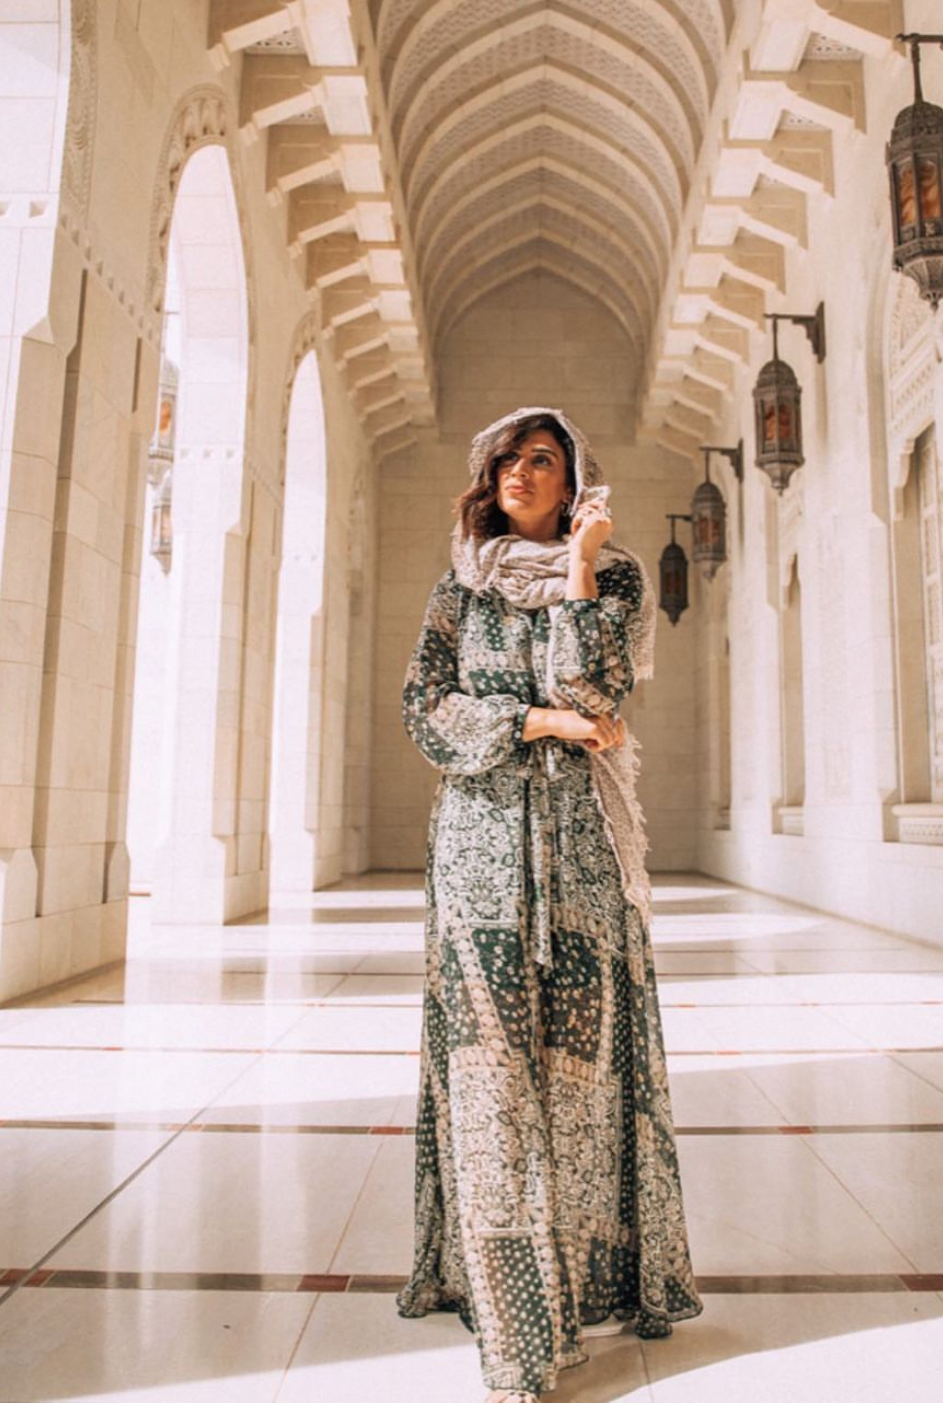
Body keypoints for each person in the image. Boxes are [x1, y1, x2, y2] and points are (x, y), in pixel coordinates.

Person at [396, 407, 702, 1402]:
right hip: (479, 863)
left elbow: (600, 687)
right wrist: (538, 721)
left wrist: (580, 566)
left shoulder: (614, 579)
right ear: (487, 480)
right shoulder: (458, 590)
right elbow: (425, 713)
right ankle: (515, 1330)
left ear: (573, 483)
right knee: (490, 1091)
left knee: (579, 1089)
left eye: (544, 460)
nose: (522, 473)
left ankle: (589, 1279)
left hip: (582, 864)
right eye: (509, 462)